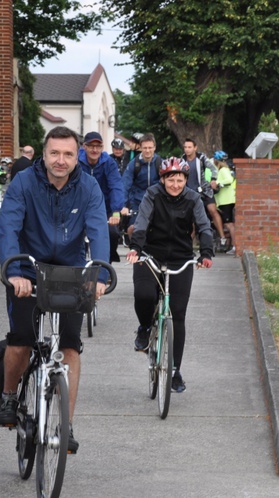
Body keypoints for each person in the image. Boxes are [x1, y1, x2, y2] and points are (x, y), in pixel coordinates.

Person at [0, 126, 111, 455]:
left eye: (68, 154)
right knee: (20, 340)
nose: (61, 160)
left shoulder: (88, 187)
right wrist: (14, 273)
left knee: (71, 348)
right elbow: (8, 228)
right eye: (55, 153)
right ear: (44, 155)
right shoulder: (24, 183)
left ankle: (66, 425)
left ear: (78, 158)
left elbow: (98, 230)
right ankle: (8, 396)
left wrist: (99, 274)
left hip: (70, 273)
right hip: (28, 270)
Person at [126, 157, 214, 393]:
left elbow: (204, 226)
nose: (175, 185)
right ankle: (145, 327)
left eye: (180, 180)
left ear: (186, 180)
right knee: (144, 295)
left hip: (181, 258)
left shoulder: (193, 198)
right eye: (171, 180)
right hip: (150, 254)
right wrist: (136, 248)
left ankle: (174, 371)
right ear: (163, 179)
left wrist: (206, 253)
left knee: (178, 313)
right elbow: (141, 222)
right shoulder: (152, 195)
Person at [78, 131, 125, 262]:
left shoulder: (109, 163)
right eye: (91, 146)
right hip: (79, 206)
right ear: (84, 147)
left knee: (112, 234)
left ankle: (107, 265)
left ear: (102, 147)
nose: (94, 149)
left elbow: (116, 185)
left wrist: (116, 212)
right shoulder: (76, 162)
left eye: (98, 146)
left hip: (104, 207)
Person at [182, 138, 227, 247]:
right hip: (190, 192)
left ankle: (222, 237)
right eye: (185, 147)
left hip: (205, 190)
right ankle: (188, 244)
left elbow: (214, 169)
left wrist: (213, 179)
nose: (187, 150)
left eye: (189, 147)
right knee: (190, 217)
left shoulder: (201, 158)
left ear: (195, 148)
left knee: (212, 210)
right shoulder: (182, 160)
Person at [120, 133, 161, 238]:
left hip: (157, 201)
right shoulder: (133, 164)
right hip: (137, 202)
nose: (147, 150)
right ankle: (134, 251)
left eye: (150, 148)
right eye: (145, 148)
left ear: (154, 148)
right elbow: (125, 185)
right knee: (133, 228)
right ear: (140, 148)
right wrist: (123, 206)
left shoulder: (160, 163)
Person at [213, 150, 237, 255]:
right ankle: (233, 245)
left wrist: (217, 182)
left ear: (216, 160)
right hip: (225, 201)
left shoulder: (223, 170)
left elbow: (228, 180)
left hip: (226, 201)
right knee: (228, 224)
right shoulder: (223, 170)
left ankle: (236, 246)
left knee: (229, 224)